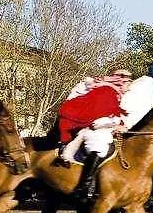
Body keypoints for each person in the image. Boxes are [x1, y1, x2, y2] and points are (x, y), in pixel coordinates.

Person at [57, 69, 132, 202]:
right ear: (121, 82)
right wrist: (116, 124)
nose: (129, 88)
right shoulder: (107, 92)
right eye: (127, 84)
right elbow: (98, 119)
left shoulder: (113, 92)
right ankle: (84, 188)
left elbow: (110, 114)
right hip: (91, 129)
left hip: (98, 128)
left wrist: (119, 124)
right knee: (99, 149)